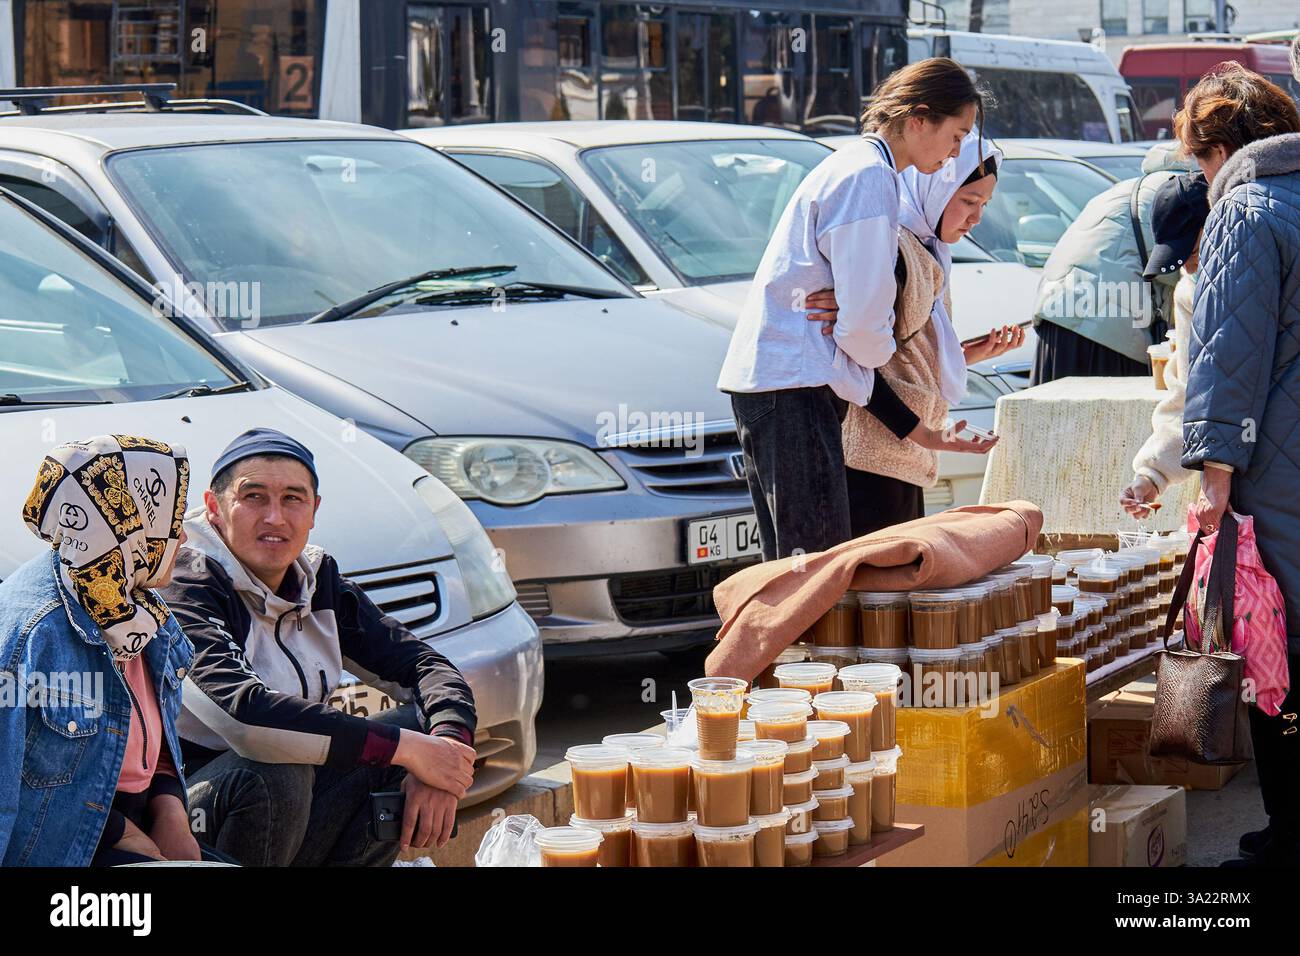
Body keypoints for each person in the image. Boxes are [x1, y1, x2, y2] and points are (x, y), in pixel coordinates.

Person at [160, 428, 477, 866]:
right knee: (278, 766)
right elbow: (246, 719)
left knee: (421, 727)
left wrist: (445, 756)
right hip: (187, 809)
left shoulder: (315, 575)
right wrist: (409, 750)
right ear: (214, 508)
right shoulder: (187, 580)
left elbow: (424, 665)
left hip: (288, 798)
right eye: (253, 497)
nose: (275, 517)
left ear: (314, 511)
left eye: (293, 498)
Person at [718, 57, 993, 561]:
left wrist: (863, 316)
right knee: (816, 571)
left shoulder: (861, 166)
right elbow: (866, 329)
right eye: (957, 134)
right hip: (794, 388)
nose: (957, 151)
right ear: (918, 119)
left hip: (785, 383)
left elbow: (861, 314)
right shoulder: (869, 175)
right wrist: (870, 321)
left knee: (799, 565)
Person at [1175, 62, 1300, 867]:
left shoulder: (1245, 207)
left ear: (1220, 147)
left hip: (1278, 474)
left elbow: (1226, 352)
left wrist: (1213, 470)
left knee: (1273, 650)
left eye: (1197, 161)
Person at [0, 435, 201, 866]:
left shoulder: (138, 606)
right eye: (170, 517)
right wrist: (117, 830)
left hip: (138, 820)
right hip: (65, 842)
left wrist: (170, 808)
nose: (182, 534)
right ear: (125, 524)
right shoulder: (35, 633)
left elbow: (151, 735)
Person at [813, 130, 1019, 536]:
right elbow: (864, 362)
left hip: (903, 451)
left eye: (985, 204)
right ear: (937, 190)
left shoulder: (927, 248)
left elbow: (904, 347)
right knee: (880, 586)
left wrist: (964, 354)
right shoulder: (895, 251)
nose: (976, 217)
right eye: (969, 201)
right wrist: (922, 431)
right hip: (872, 453)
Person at [1029, 142, 1191, 385]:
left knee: (1056, 418)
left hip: (1057, 314)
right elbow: (1188, 275)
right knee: (1113, 416)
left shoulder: (1130, 186)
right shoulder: (1188, 190)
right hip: (1107, 326)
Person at [1117, 171, 1210, 518]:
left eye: (1194, 249)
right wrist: (1152, 475)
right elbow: (1188, 394)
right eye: (1180, 255)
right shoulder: (1189, 290)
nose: (1189, 264)